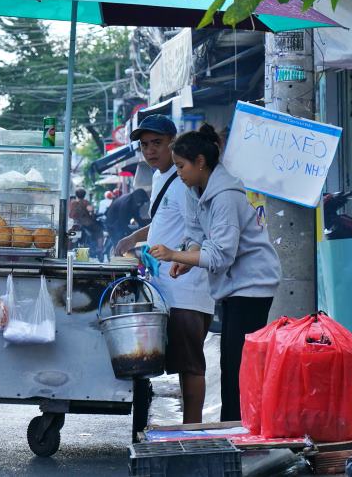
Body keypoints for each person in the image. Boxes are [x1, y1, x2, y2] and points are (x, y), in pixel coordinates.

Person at [150, 124, 281, 423]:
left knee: (238, 363)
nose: (178, 172)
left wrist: (174, 254)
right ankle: (233, 425)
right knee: (230, 362)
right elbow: (195, 232)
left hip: (253, 285)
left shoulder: (225, 196)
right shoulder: (194, 189)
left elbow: (221, 254)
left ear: (200, 162)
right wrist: (187, 255)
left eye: (182, 166)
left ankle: (238, 427)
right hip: (232, 286)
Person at [115, 115, 214, 424]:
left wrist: (182, 259)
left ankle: (192, 429)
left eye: (157, 143)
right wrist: (135, 237)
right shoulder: (161, 178)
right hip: (166, 288)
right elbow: (164, 222)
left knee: (190, 365)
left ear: (173, 142)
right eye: (144, 145)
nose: (150, 151)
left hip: (187, 287)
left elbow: (198, 230)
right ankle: (189, 426)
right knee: (181, 363)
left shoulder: (184, 179)